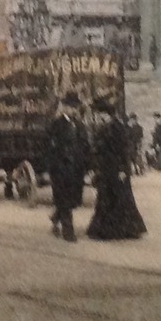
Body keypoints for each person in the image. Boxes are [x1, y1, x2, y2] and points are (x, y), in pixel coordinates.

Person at [87, 115, 147, 241]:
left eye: (101, 115)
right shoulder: (110, 127)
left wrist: (123, 169)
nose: (99, 118)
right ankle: (118, 228)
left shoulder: (114, 128)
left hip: (114, 170)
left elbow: (123, 150)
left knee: (115, 198)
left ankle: (112, 229)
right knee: (115, 198)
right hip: (110, 169)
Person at [43, 93, 90, 241]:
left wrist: (88, 166)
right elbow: (49, 149)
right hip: (61, 168)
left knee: (74, 199)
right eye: (70, 107)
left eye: (75, 107)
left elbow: (85, 145)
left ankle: (56, 216)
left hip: (77, 168)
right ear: (64, 107)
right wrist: (48, 169)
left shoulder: (80, 124)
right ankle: (68, 231)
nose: (73, 110)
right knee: (64, 198)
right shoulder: (56, 125)